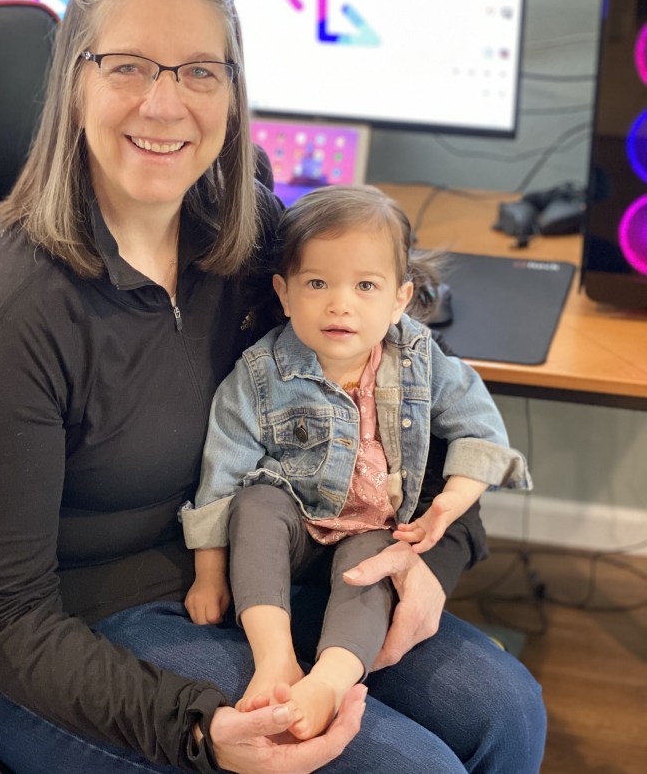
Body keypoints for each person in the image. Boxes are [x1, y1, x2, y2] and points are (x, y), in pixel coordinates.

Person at [0, 0, 546, 774]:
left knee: (504, 710)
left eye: (199, 71)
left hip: (256, 575)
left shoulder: (245, 233)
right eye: (128, 65)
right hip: (62, 634)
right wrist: (198, 731)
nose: (165, 105)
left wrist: (432, 552)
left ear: (234, 90)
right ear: (74, 81)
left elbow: (400, 387)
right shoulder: (15, 302)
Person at [181, 185, 532, 739]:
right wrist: (207, 575)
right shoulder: (260, 371)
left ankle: (329, 681)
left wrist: (449, 503)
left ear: (400, 298)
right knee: (257, 503)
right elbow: (220, 474)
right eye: (317, 283)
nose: (340, 303)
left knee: (376, 559)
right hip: (293, 528)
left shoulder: (417, 356)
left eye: (365, 285)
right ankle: (274, 659)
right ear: (285, 292)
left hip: (370, 530)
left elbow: (478, 424)